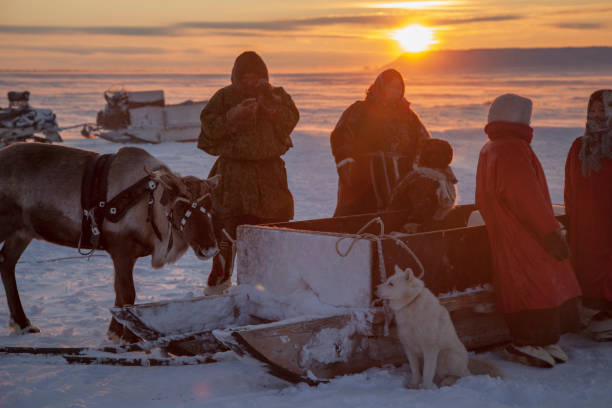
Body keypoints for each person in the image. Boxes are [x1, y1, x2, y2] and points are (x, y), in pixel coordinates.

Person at [475, 93, 582, 367]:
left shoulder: (494, 147)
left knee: (531, 285)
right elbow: (526, 197)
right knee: (534, 286)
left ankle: (542, 339)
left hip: (512, 231)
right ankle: (527, 341)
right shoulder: (511, 149)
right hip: (525, 233)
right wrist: (549, 232)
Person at [198, 51, 299, 295]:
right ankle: (219, 288)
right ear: (236, 78)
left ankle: (265, 290)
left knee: (271, 231)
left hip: (269, 176)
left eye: (256, 77)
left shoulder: (277, 95)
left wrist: (271, 107)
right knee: (225, 232)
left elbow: (291, 121)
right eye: (245, 78)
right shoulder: (224, 97)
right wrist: (233, 117)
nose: (251, 82)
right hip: (232, 175)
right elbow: (208, 130)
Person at [330, 69, 430, 217]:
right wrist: (345, 160)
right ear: (381, 86)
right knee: (359, 217)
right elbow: (342, 134)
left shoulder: (408, 115)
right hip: (364, 177)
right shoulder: (360, 109)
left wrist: (420, 164)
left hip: (400, 177)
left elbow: (424, 141)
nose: (395, 91)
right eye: (391, 86)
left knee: (395, 218)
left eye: (399, 87)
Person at [564, 89, 612, 341]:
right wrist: (571, 215)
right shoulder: (579, 146)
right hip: (587, 220)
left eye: (602, 112)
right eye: (592, 111)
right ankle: (597, 314)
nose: (596, 117)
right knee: (590, 265)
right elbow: (569, 186)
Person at [387, 138, 458, 233]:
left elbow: (421, 214)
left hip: (412, 229)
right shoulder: (435, 179)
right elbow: (422, 212)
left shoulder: (428, 179)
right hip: (418, 230)